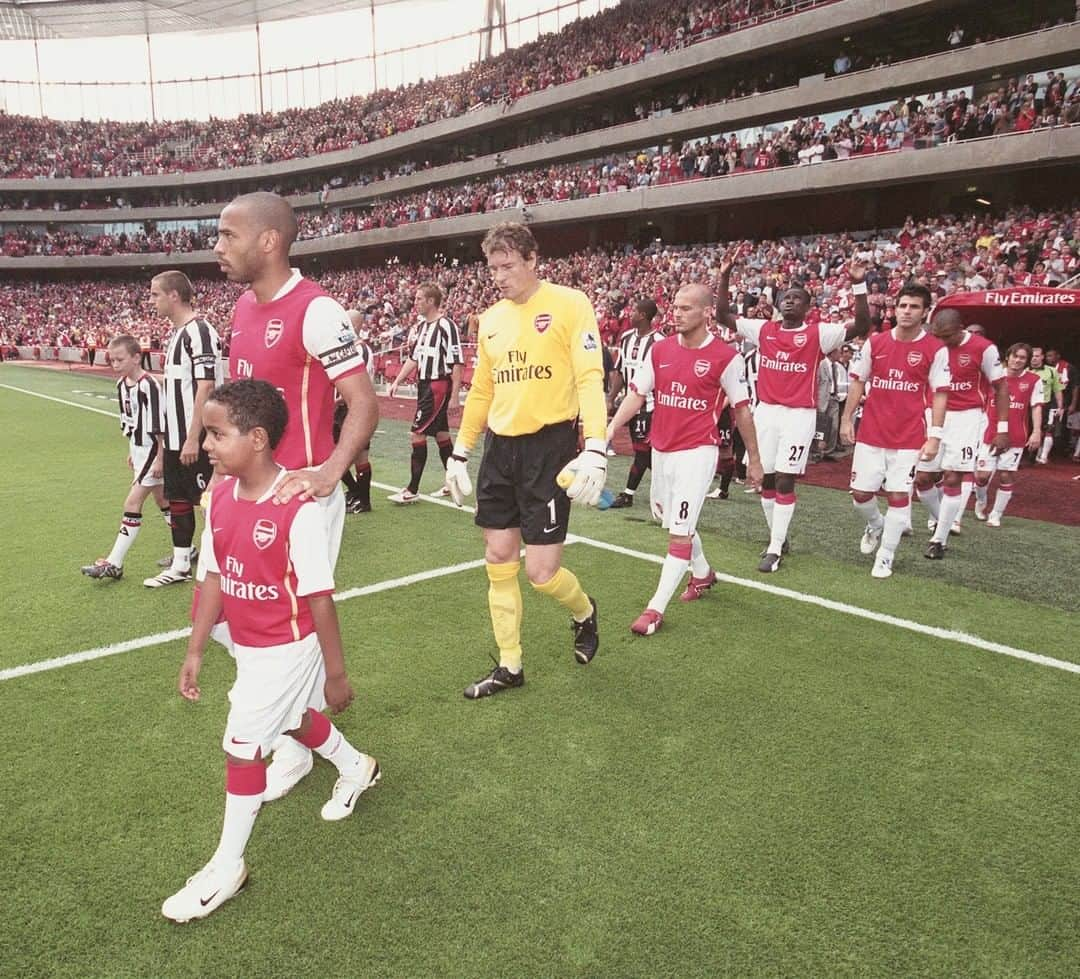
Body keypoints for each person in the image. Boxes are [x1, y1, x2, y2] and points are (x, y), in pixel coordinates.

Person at [163, 380, 379, 923]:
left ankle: (227, 866)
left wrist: (337, 674)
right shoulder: (221, 498)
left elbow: (320, 599)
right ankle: (357, 767)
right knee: (288, 720)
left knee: (241, 749)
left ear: (257, 439)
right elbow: (213, 576)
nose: (207, 445)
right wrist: (195, 649)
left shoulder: (296, 508)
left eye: (217, 434)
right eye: (207, 433)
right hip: (249, 643)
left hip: (286, 645)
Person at [215, 191, 379, 801]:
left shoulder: (317, 311)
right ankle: (300, 726)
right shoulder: (240, 306)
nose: (218, 247)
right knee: (237, 616)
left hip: (298, 498)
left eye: (229, 235)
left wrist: (332, 469)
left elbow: (362, 402)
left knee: (293, 623)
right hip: (246, 491)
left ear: (269, 241)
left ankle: (295, 743)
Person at [443, 221, 602, 699]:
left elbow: (591, 377)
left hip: (548, 449)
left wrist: (595, 445)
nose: (498, 276)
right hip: (500, 449)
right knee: (498, 556)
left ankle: (584, 612)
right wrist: (460, 451)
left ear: (533, 260)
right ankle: (510, 665)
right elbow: (482, 391)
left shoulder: (571, 304)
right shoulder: (490, 319)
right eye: (492, 268)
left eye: (507, 266)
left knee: (542, 574)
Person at [606, 284, 763, 636]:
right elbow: (636, 394)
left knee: (678, 533)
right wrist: (611, 426)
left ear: (707, 313)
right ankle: (703, 573)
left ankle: (654, 609)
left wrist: (753, 460)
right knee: (676, 521)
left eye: (686, 308)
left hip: (698, 452)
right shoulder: (659, 350)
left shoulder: (726, 357)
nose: (677, 313)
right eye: (675, 307)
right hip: (662, 451)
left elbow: (742, 411)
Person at [715, 257, 869, 572]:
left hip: (799, 415)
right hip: (766, 413)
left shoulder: (819, 334)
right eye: (786, 298)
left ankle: (774, 548)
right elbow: (721, 315)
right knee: (765, 478)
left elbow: (863, 326)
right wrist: (725, 276)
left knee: (785, 480)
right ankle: (778, 537)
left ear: (808, 308)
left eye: (797, 299)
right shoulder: (764, 330)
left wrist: (859, 285)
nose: (789, 302)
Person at [840, 284, 950, 579]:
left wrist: (935, 435)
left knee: (899, 495)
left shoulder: (935, 349)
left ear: (925, 312)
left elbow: (940, 394)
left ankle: (885, 555)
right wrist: (846, 418)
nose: (906, 311)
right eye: (902, 305)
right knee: (860, 495)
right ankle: (876, 524)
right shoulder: (875, 343)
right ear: (895, 308)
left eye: (914, 307)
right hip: (872, 433)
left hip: (908, 437)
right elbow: (858, 382)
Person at [144, 270, 222, 588]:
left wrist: (194, 437)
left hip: (197, 437)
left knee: (208, 501)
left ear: (174, 295)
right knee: (177, 499)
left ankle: (221, 563)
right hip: (178, 438)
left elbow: (205, 386)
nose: (151, 301)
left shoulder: (199, 331)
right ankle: (180, 565)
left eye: (155, 294)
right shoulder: (177, 333)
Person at [80, 334, 170, 580]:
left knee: (132, 503)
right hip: (139, 448)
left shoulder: (149, 384)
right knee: (162, 499)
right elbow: (130, 423)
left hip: (153, 449)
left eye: (120, 359)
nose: (115, 364)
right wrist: (132, 453)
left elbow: (159, 425)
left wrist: (160, 458)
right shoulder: (122, 385)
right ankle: (186, 548)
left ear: (136, 357)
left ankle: (114, 562)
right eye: (112, 360)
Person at [920, 311, 1007, 557]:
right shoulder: (933, 346)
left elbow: (1001, 388)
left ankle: (939, 540)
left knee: (952, 478)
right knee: (922, 479)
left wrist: (1001, 428)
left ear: (961, 328)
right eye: (938, 336)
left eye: (947, 336)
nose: (942, 341)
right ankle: (943, 520)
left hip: (966, 417)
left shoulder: (983, 348)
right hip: (933, 414)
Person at [386, 283, 464, 503]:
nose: (415, 303)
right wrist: (397, 381)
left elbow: (457, 361)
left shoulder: (446, 326)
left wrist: (455, 395)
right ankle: (453, 482)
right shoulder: (421, 328)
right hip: (424, 385)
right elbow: (414, 358)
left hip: (437, 385)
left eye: (419, 299)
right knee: (441, 435)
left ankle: (412, 489)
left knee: (417, 433)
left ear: (431, 301)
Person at [974, 342, 1044, 526]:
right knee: (981, 477)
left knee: (1006, 475)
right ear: (1008, 357)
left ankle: (996, 514)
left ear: (1027, 361)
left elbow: (1036, 407)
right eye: (1015, 356)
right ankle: (981, 501)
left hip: (1015, 436)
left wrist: (1036, 432)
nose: (1017, 360)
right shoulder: (994, 377)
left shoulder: (1033, 380)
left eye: (1022, 358)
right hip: (989, 433)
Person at [606, 299, 664, 508]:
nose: (629, 315)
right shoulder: (627, 337)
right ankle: (669, 482)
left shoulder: (659, 341)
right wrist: (611, 397)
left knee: (641, 451)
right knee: (643, 452)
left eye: (634, 312)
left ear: (643, 316)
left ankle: (628, 494)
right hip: (629, 403)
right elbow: (621, 370)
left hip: (650, 405)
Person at [336, 310, 376, 513]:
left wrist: (336, 400)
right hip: (342, 409)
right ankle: (355, 493)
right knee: (334, 455)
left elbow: (361, 386)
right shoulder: (346, 348)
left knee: (358, 456)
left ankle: (363, 499)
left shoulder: (362, 351)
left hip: (355, 409)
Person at [1031, 346, 1065, 463]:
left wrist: (1060, 406)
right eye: (1032, 356)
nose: (1034, 358)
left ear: (1042, 357)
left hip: (1044, 405)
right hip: (1025, 405)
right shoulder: (1024, 370)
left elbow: (1057, 390)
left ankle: (1037, 456)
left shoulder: (1051, 371)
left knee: (1043, 430)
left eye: (1036, 356)